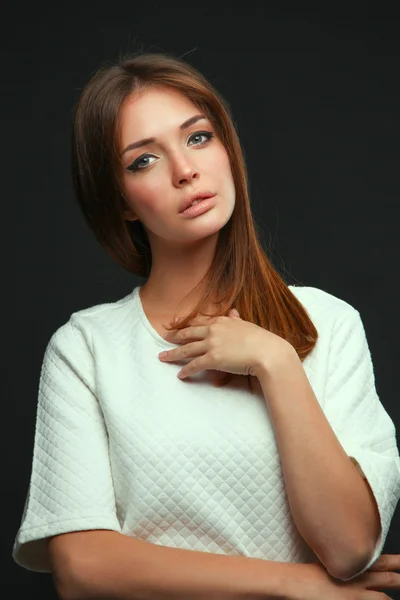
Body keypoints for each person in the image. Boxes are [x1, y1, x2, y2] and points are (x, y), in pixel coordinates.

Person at [12, 51, 400, 599]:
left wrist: (276, 361)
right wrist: (293, 585)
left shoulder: (329, 323)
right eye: (143, 160)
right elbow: (81, 566)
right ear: (121, 201)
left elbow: (349, 546)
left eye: (198, 137)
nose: (185, 170)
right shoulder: (87, 348)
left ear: (226, 148)